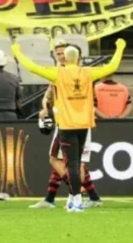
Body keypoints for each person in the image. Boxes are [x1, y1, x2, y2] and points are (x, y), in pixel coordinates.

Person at [12, 38, 126, 212]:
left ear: (65, 57)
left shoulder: (58, 73)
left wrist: (18, 52)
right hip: (85, 125)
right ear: (79, 58)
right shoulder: (88, 72)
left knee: (71, 164)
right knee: (75, 162)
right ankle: (74, 199)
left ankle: (77, 201)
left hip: (67, 125)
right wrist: (119, 48)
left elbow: (33, 67)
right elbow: (111, 67)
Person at [29, 42, 103, 210]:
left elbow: (90, 99)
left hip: (77, 122)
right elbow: (49, 94)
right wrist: (45, 107)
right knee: (66, 160)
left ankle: (78, 192)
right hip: (65, 121)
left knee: (64, 160)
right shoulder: (59, 73)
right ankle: (55, 197)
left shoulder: (82, 75)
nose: (60, 56)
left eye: (63, 53)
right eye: (58, 53)